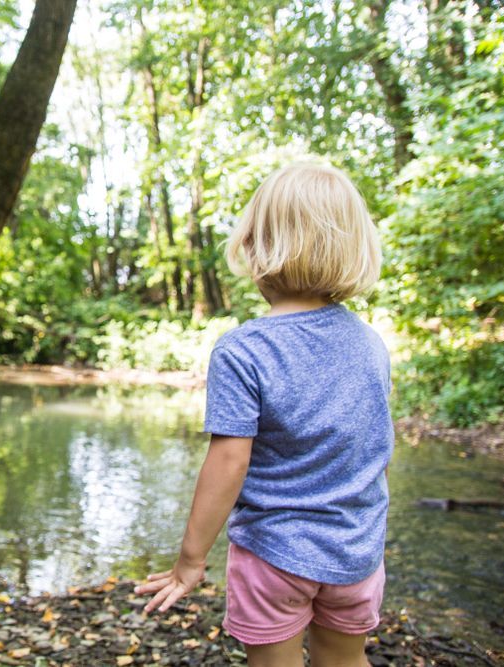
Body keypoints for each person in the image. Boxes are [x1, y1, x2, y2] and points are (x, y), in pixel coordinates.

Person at [135, 162, 393, 667]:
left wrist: (191, 561)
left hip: (274, 554)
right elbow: (373, 444)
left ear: (254, 246)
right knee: (345, 660)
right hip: (357, 551)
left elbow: (229, 464)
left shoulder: (244, 350)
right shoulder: (371, 345)